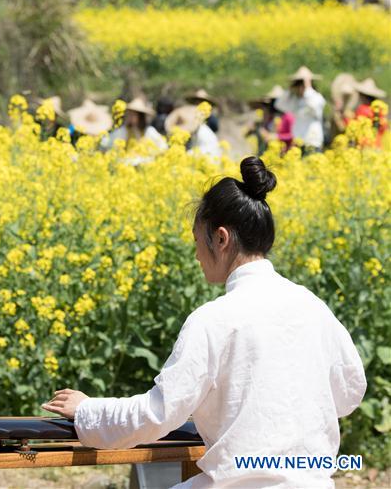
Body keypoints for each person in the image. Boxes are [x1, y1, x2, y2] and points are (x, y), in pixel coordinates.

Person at [42, 157, 366, 488]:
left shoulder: (214, 319)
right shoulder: (313, 307)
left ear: (221, 239)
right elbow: (350, 392)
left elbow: (157, 414)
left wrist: (87, 410)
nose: (197, 254)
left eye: (198, 240)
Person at [275, 66, 326, 153]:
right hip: (298, 143)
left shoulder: (317, 97)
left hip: (312, 143)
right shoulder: (296, 101)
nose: (300, 87)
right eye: (298, 84)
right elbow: (279, 105)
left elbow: (314, 107)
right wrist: (289, 90)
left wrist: (308, 87)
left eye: (301, 84)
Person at [100, 97, 168, 155]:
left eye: (133, 114)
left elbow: (163, 146)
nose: (130, 116)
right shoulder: (124, 130)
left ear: (140, 116)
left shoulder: (148, 131)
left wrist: (151, 152)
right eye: (129, 114)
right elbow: (107, 143)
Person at [246, 85, 294, 155]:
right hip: (266, 152)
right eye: (272, 101)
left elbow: (294, 136)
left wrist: (277, 136)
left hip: (283, 153)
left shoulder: (288, 116)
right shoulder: (270, 115)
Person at [347, 77, 388, 147]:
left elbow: (354, 126)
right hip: (377, 143)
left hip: (364, 143)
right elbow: (383, 128)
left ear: (363, 96)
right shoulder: (379, 111)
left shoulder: (362, 109)